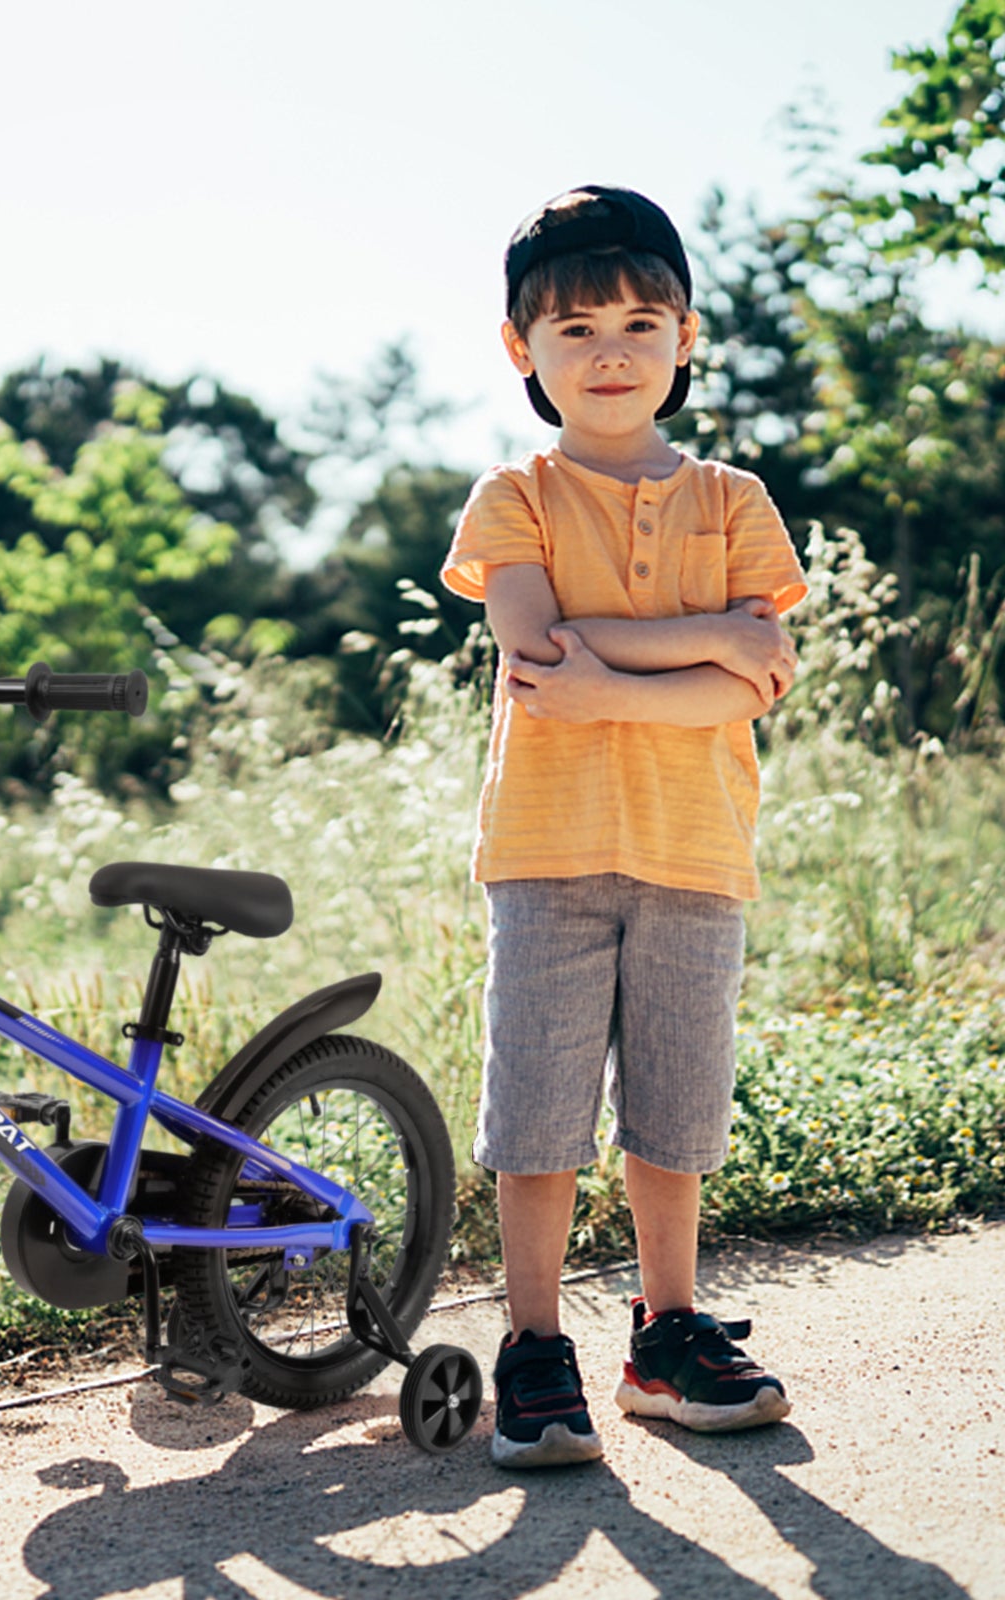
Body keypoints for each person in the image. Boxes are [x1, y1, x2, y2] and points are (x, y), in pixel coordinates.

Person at [440, 186, 808, 1469]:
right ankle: (535, 1345)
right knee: (537, 1110)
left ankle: (667, 1335)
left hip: (694, 846)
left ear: (684, 338)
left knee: (675, 1107)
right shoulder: (516, 495)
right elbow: (536, 647)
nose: (611, 352)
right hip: (546, 851)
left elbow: (756, 680)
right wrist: (708, 641)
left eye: (640, 324)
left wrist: (624, 677)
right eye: (577, 328)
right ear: (521, 347)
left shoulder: (734, 500)